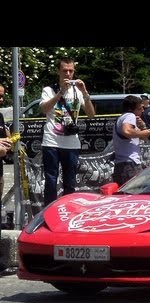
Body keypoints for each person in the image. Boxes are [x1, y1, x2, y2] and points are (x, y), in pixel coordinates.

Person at [40, 57, 95, 206]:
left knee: (70, 182)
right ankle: (49, 211)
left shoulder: (77, 90)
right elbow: (44, 109)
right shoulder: (49, 89)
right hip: (52, 140)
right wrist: (60, 93)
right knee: (51, 180)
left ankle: (68, 210)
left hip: (71, 142)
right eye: (65, 70)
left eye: (71, 71)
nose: (68, 74)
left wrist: (85, 92)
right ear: (58, 71)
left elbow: (91, 114)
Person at [112, 95, 150, 186]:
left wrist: (142, 126)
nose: (143, 110)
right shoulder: (130, 116)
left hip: (123, 164)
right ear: (132, 109)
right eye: (140, 108)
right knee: (136, 194)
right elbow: (127, 131)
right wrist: (144, 132)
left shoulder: (122, 118)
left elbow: (145, 138)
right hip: (130, 164)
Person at [0, 84, 12, 200]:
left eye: (2, 96)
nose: (2, 100)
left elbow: (5, 138)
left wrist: (9, 140)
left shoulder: (0, 116)